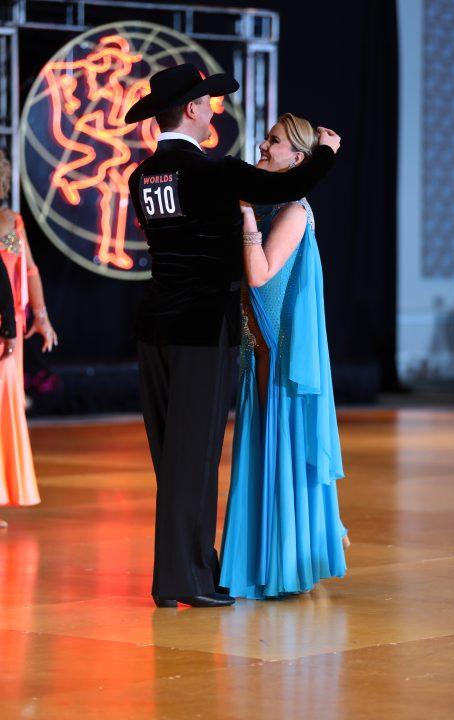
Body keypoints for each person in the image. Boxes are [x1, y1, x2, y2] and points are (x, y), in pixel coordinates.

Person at [125, 64, 341, 608]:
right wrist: (326, 152)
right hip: (200, 331)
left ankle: (196, 568)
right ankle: (182, 580)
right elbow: (290, 186)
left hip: (153, 329)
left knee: (171, 457)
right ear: (191, 110)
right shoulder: (212, 172)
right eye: (207, 103)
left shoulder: (141, 177)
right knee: (194, 459)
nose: (213, 110)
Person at [220, 114, 350, 599]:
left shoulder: (293, 211)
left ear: (297, 159)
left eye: (274, 141)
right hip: (257, 350)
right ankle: (263, 560)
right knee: (262, 450)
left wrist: (245, 214)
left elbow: (259, 275)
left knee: (279, 450)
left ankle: (286, 563)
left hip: (279, 355)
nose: (263, 144)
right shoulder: (274, 206)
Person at [0, 149, 58, 526]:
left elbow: (30, 271)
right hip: (5, 328)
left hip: (10, 329)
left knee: (5, 407)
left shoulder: (13, 222)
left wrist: (41, 317)